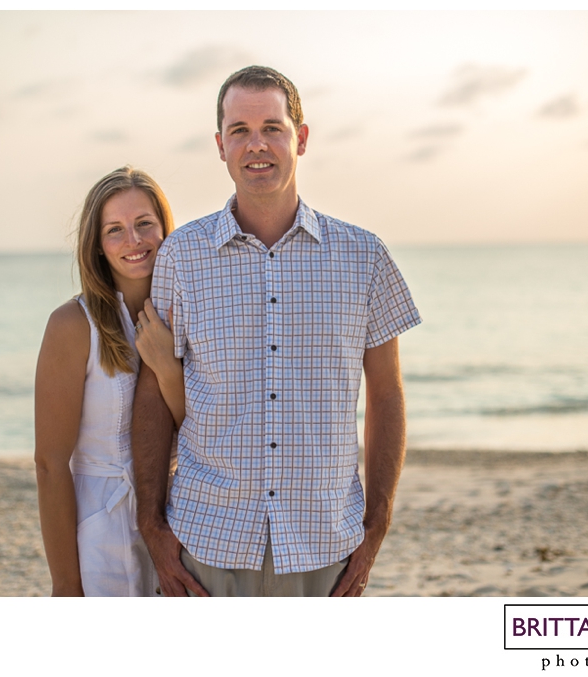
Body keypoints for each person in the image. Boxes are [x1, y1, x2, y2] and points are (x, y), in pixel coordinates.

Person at [131, 65, 422, 597]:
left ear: (301, 139)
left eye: (272, 128)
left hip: (325, 544)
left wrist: (377, 523)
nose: (256, 144)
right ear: (220, 146)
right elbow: (152, 390)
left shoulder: (364, 257)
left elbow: (386, 393)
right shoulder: (181, 256)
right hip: (206, 539)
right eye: (239, 130)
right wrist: (151, 524)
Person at [34, 166, 183, 596]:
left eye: (144, 223)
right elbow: (50, 464)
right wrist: (66, 585)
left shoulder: (186, 316)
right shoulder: (72, 324)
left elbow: (201, 431)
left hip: (176, 522)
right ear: (97, 246)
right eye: (114, 230)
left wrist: (167, 369)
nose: (133, 240)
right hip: (100, 530)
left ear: (165, 229)